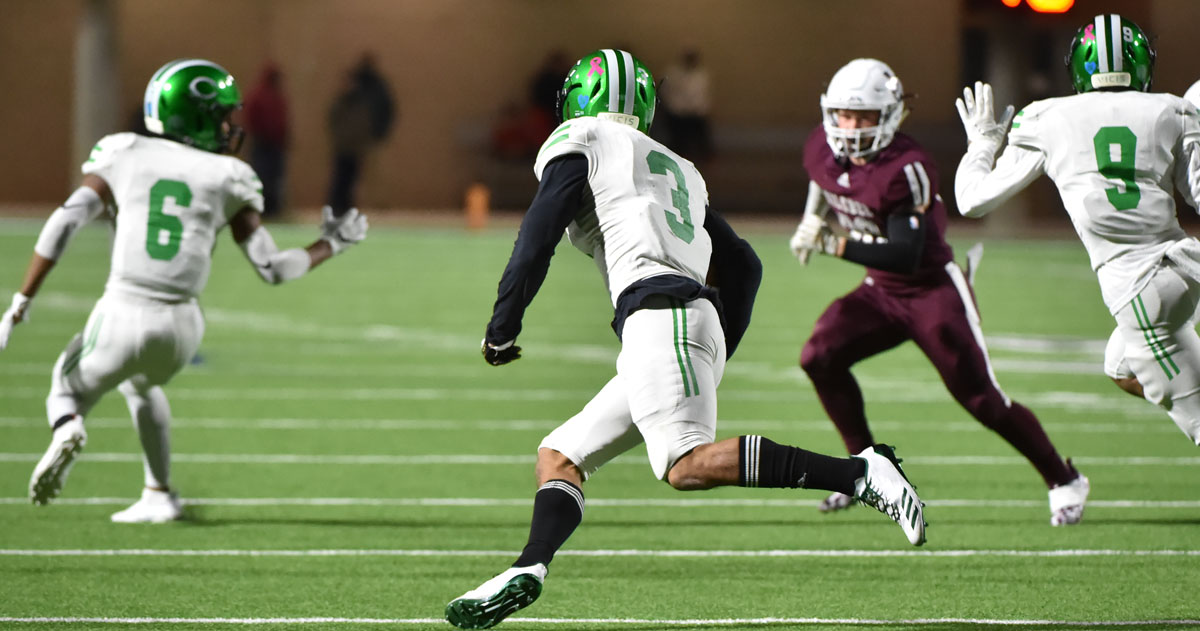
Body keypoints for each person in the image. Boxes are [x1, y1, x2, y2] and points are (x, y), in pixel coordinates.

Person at [445, 49, 926, 631]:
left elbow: (536, 236)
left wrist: (502, 328)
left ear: (581, 99)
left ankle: (861, 474)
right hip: (679, 321)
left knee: (685, 464)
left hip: (661, 317)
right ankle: (528, 567)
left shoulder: (582, 139)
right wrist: (714, 352)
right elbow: (744, 266)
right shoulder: (677, 167)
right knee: (561, 455)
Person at [0, 58, 368, 523]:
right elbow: (274, 268)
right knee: (142, 384)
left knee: (65, 390)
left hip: (124, 310)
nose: (230, 127)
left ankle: (68, 427)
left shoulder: (125, 152)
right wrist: (331, 243)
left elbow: (66, 220)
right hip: (182, 328)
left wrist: (23, 298)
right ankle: (158, 494)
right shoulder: (227, 175)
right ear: (196, 118)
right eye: (222, 117)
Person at [788, 58, 1088, 526]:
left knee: (983, 401)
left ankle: (1063, 478)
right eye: (843, 115)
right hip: (880, 291)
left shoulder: (906, 167)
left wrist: (832, 242)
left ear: (890, 116)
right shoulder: (820, 147)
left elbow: (905, 254)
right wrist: (812, 217)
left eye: (863, 117)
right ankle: (866, 471)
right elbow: (822, 179)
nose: (850, 128)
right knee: (818, 356)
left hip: (931, 291)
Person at [956, 15, 1200, 447]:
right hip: (1184, 265)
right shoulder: (1173, 109)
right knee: (1121, 366)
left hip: (1140, 292)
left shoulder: (1045, 117)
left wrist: (982, 146)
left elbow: (971, 200)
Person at [326, 53, 395, 216]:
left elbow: (368, 120)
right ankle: (337, 207)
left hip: (357, 146)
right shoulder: (342, 102)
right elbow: (334, 121)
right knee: (340, 178)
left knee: (352, 179)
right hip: (344, 145)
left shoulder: (362, 101)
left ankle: (350, 207)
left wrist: (375, 134)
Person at [244, 62, 290, 218]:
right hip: (262, 143)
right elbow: (252, 118)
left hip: (276, 144)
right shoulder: (260, 95)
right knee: (262, 177)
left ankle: (273, 208)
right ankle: (261, 208)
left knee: (275, 178)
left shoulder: (277, 96)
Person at [661, 48, 713, 163]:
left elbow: (703, 95)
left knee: (700, 137)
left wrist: (699, 109)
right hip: (678, 112)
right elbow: (667, 92)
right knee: (678, 140)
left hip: (696, 113)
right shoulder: (673, 73)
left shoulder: (701, 75)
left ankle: (704, 157)